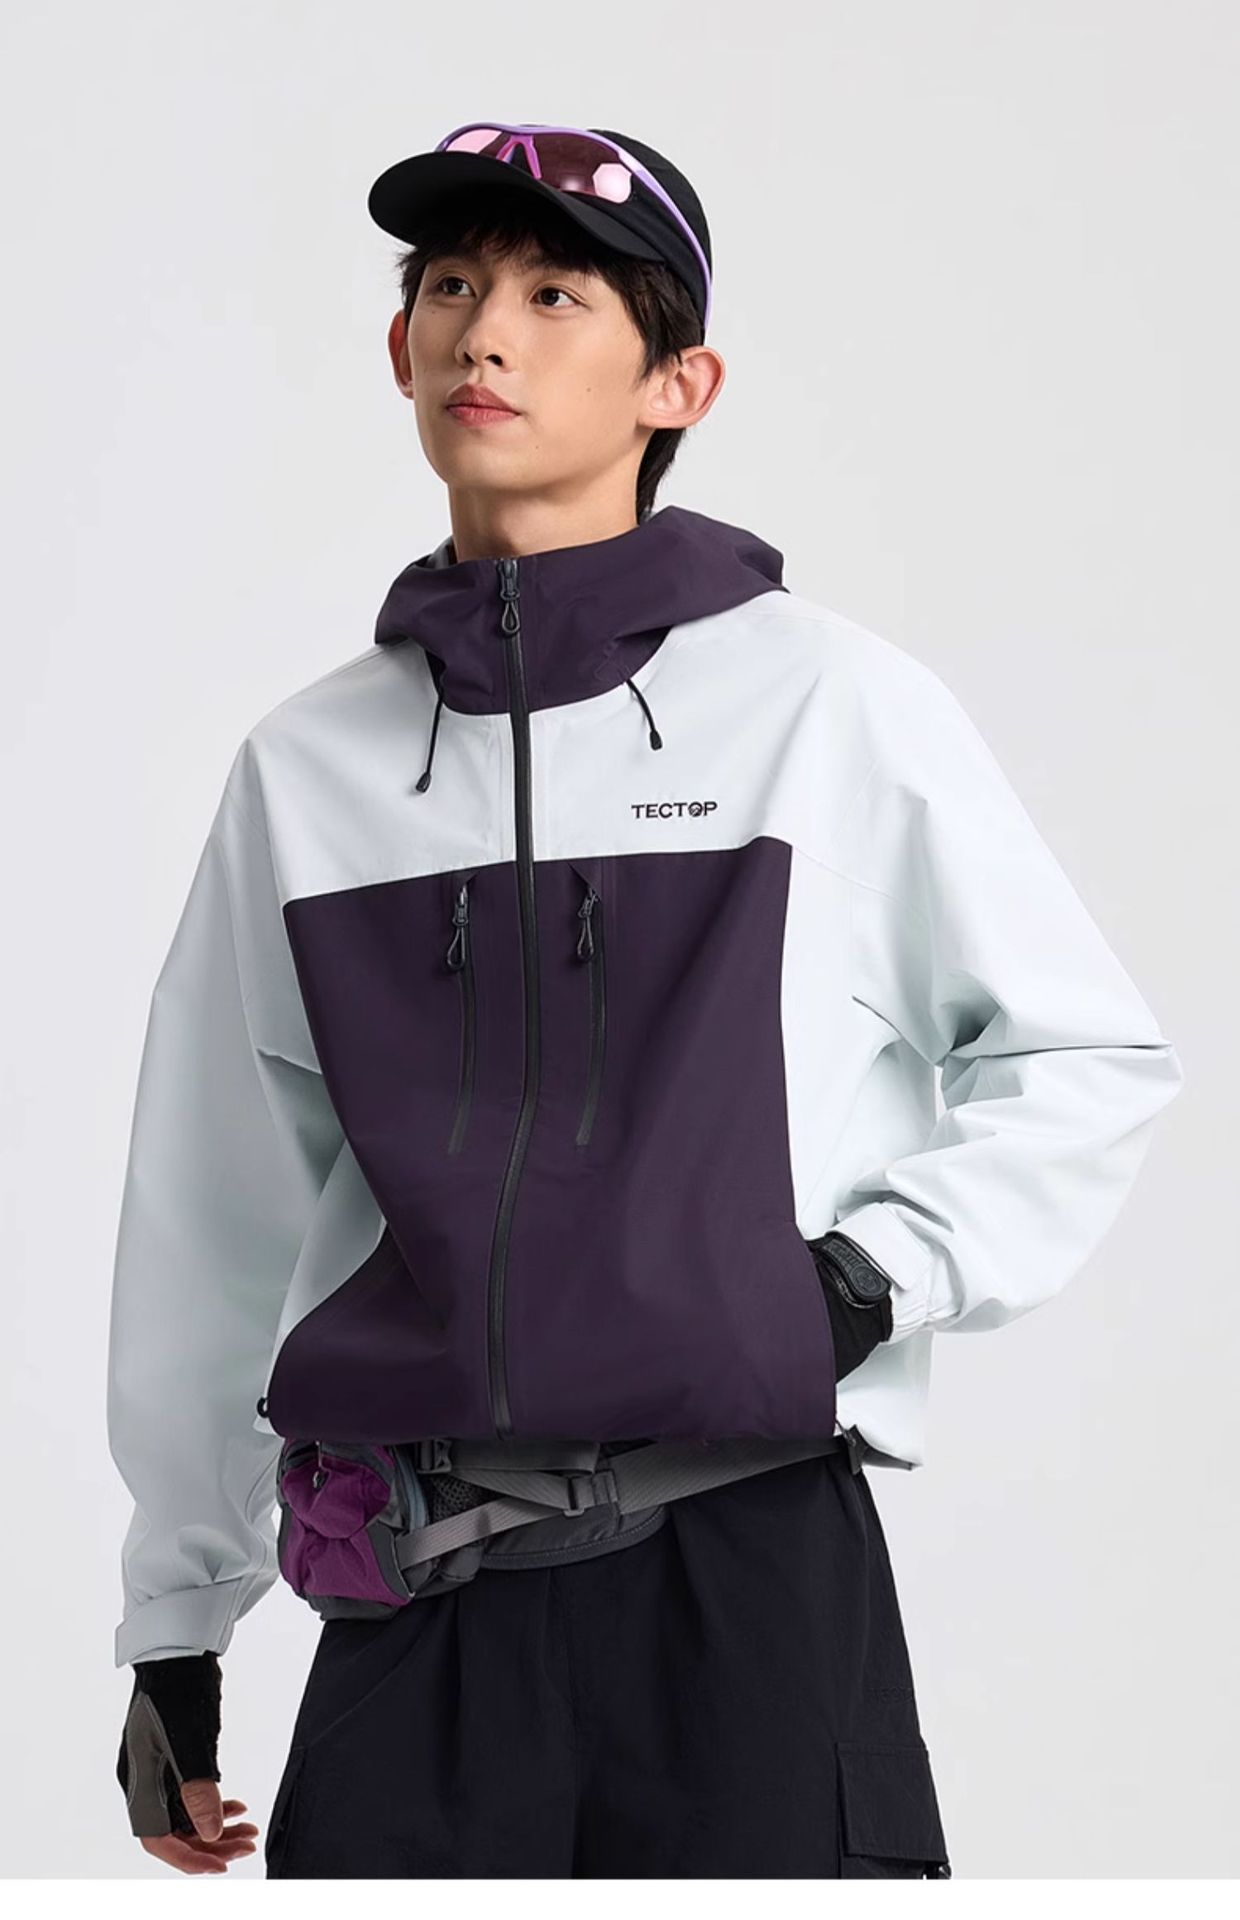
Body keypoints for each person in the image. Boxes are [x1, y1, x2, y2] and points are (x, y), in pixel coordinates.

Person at [109, 123, 1184, 1878]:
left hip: (745, 1587)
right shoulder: (309, 769)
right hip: (416, 1610)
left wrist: (856, 1284)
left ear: (678, 384)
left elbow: (1085, 1054)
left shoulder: (825, 706)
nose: (484, 331)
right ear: (400, 349)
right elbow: (210, 1212)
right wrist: (177, 1621)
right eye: (450, 287)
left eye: (556, 296)